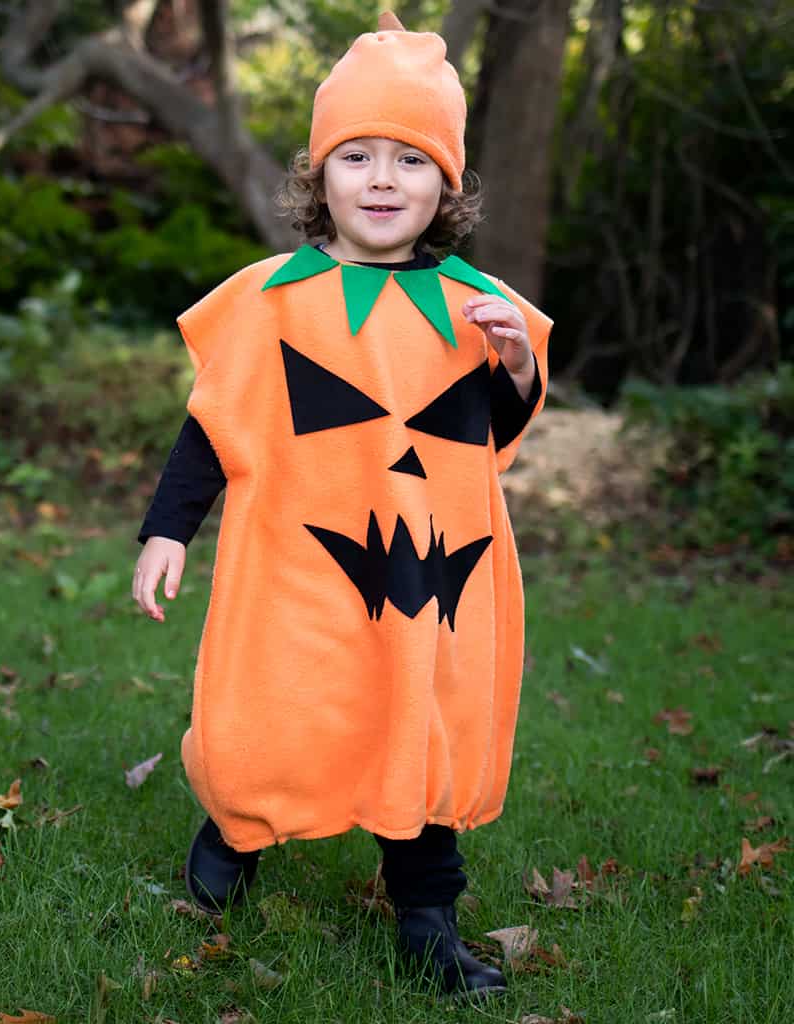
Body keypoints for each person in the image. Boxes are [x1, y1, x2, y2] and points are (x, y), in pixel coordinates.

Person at [131, 10, 552, 1000]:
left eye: (409, 159)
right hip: (292, 561)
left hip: (430, 572)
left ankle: (426, 919)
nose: (380, 178)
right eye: (355, 155)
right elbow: (211, 426)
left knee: (419, 725)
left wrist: (516, 364)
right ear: (317, 176)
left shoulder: (476, 305)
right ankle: (236, 829)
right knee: (268, 717)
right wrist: (165, 530)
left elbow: (489, 429)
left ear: (444, 185)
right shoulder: (272, 301)